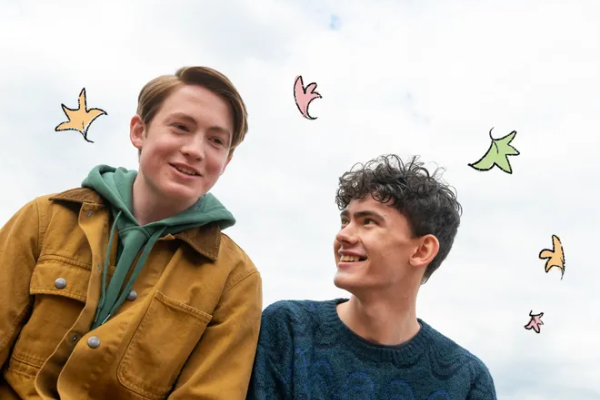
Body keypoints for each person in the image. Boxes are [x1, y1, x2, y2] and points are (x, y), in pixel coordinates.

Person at [0, 66, 263, 399]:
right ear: (139, 131)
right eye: (181, 127)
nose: (195, 150)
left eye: (216, 141)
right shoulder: (44, 218)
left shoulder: (236, 281)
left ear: (226, 162)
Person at [246, 154, 497, 399]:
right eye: (345, 221)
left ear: (422, 250)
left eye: (368, 221)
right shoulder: (289, 329)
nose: (343, 235)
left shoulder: (467, 381)